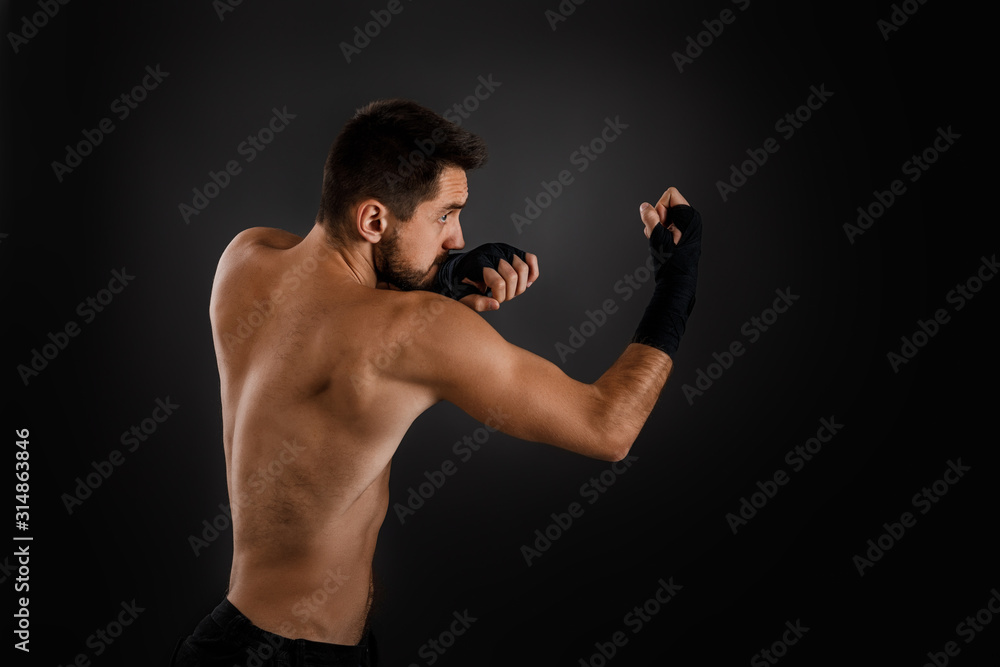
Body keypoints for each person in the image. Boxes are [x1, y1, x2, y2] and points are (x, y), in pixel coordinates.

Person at [171, 98, 702, 666]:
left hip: (229, 641)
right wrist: (677, 282)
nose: (456, 238)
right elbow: (609, 426)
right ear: (374, 220)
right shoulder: (420, 332)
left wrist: (438, 279)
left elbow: (336, 314)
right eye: (444, 216)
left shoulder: (246, 258)